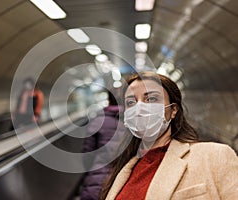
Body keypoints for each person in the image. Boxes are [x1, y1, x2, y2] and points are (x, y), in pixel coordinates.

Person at [100, 71, 238, 200]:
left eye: (151, 99)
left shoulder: (213, 156)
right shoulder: (122, 168)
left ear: (173, 110)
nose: (139, 108)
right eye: (131, 102)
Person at [80, 90, 125, 200]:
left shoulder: (98, 121)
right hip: (123, 178)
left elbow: (87, 154)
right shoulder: (133, 122)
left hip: (97, 178)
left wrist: (91, 169)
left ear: (108, 101)